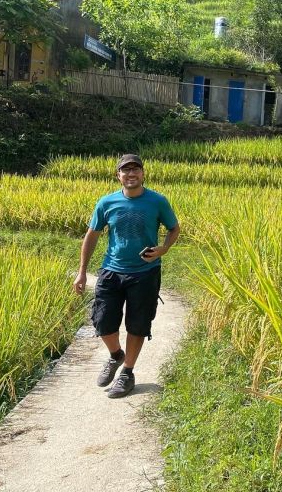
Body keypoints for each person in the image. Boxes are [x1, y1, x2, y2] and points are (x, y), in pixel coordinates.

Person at [73, 154, 180, 398]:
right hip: (112, 270)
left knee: (138, 323)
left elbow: (174, 228)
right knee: (102, 321)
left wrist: (164, 248)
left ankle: (127, 373)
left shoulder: (157, 201)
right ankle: (115, 355)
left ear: (143, 174)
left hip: (145, 273)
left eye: (135, 170)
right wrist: (81, 273)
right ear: (118, 175)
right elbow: (91, 236)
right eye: (125, 170)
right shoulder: (106, 203)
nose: (131, 174)